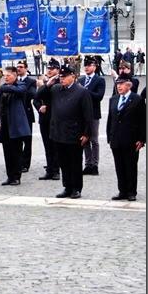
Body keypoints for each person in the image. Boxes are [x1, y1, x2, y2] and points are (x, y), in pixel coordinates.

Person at [36, 64, 93, 199]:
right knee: (63, 162)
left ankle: (76, 188)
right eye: (60, 77)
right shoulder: (56, 89)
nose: (62, 79)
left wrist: (86, 133)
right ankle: (67, 187)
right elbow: (38, 96)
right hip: (58, 133)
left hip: (74, 133)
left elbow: (88, 115)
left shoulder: (82, 92)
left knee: (75, 163)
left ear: (72, 76)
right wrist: (48, 84)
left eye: (64, 77)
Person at [106, 73, 146, 201]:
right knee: (119, 166)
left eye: (122, 84)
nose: (119, 86)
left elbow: (143, 121)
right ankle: (122, 190)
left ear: (129, 85)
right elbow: (110, 119)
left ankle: (131, 191)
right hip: (116, 139)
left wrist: (142, 139)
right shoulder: (113, 99)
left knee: (130, 166)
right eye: (118, 84)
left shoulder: (137, 99)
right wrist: (109, 136)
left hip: (131, 140)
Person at [0, 66, 30, 186]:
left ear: (15, 76)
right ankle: (10, 176)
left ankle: (16, 176)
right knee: (7, 152)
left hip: (16, 126)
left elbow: (18, 91)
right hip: (5, 125)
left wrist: (1, 87)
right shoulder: (3, 89)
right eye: (4, 76)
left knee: (16, 152)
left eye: (8, 75)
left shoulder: (21, 85)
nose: (6, 77)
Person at [34, 58, 61, 181]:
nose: (49, 71)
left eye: (52, 69)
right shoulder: (46, 83)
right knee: (47, 146)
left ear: (58, 70)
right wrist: (40, 107)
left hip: (55, 119)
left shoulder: (60, 82)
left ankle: (56, 170)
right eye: (48, 69)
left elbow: (59, 100)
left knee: (55, 145)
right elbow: (36, 98)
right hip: (44, 119)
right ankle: (49, 169)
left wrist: (47, 107)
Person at [78, 56, 106, 176]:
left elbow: (99, 96)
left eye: (89, 65)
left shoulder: (99, 80)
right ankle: (87, 164)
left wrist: (84, 91)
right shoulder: (81, 80)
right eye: (86, 65)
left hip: (94, 113)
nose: (87, 68)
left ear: (95, 66)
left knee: (94, 139)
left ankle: (95, 164)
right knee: (84, 139)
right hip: (82, 114)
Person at [15, 60, 36, 172]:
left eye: (21, 67)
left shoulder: (31, 81)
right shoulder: (13, 80)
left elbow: (33, 94)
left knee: (27, 140)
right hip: (15, 114)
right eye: (17, 67)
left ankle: (25, 164)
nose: (19, 69)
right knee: (16, 140)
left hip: (26, 112)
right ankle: (17, 162)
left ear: (26, 68)